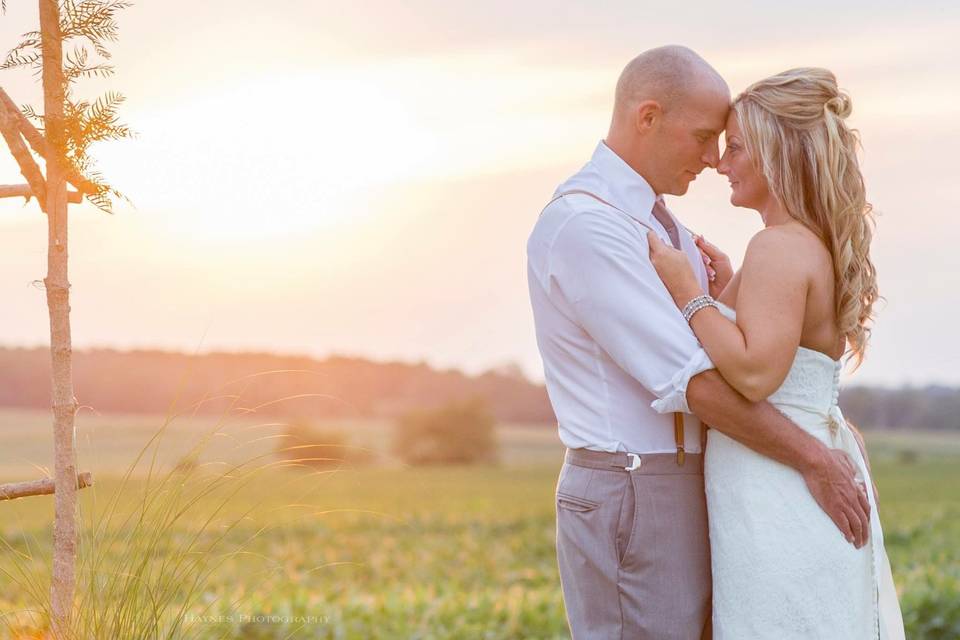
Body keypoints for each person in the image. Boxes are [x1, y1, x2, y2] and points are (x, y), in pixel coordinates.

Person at [526, 46, 871, 640]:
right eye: (705, 137)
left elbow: (733, 347)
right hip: (632, 483)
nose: (714, 160)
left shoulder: (670, 232)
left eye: (728, 143)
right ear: (648, 117)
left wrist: (727, 293)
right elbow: (695, 383)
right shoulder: (589, 225)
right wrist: (815, 457)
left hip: (702, 480)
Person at [648, 67, 905, 639]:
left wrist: (690, 296)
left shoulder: (779, 247)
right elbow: (774, 346)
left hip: (776, 486)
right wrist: (730, 292)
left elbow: (755, 374)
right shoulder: (801, 243)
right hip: (782, 475)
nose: (720, 163)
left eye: (736, 147)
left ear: (777, 154)